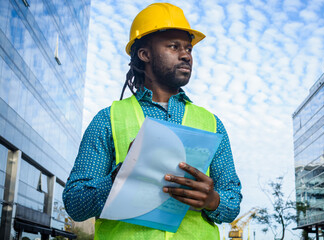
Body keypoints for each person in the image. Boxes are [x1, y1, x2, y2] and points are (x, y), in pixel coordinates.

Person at [63, 3, 242, 239]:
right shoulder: (108, 119)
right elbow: (75, 203)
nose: (186, 55)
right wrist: (119, 177)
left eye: (189, 49)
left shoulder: (211, 123)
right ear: (145, 54)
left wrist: (212, 200)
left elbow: (232, 201)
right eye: (173, 46)